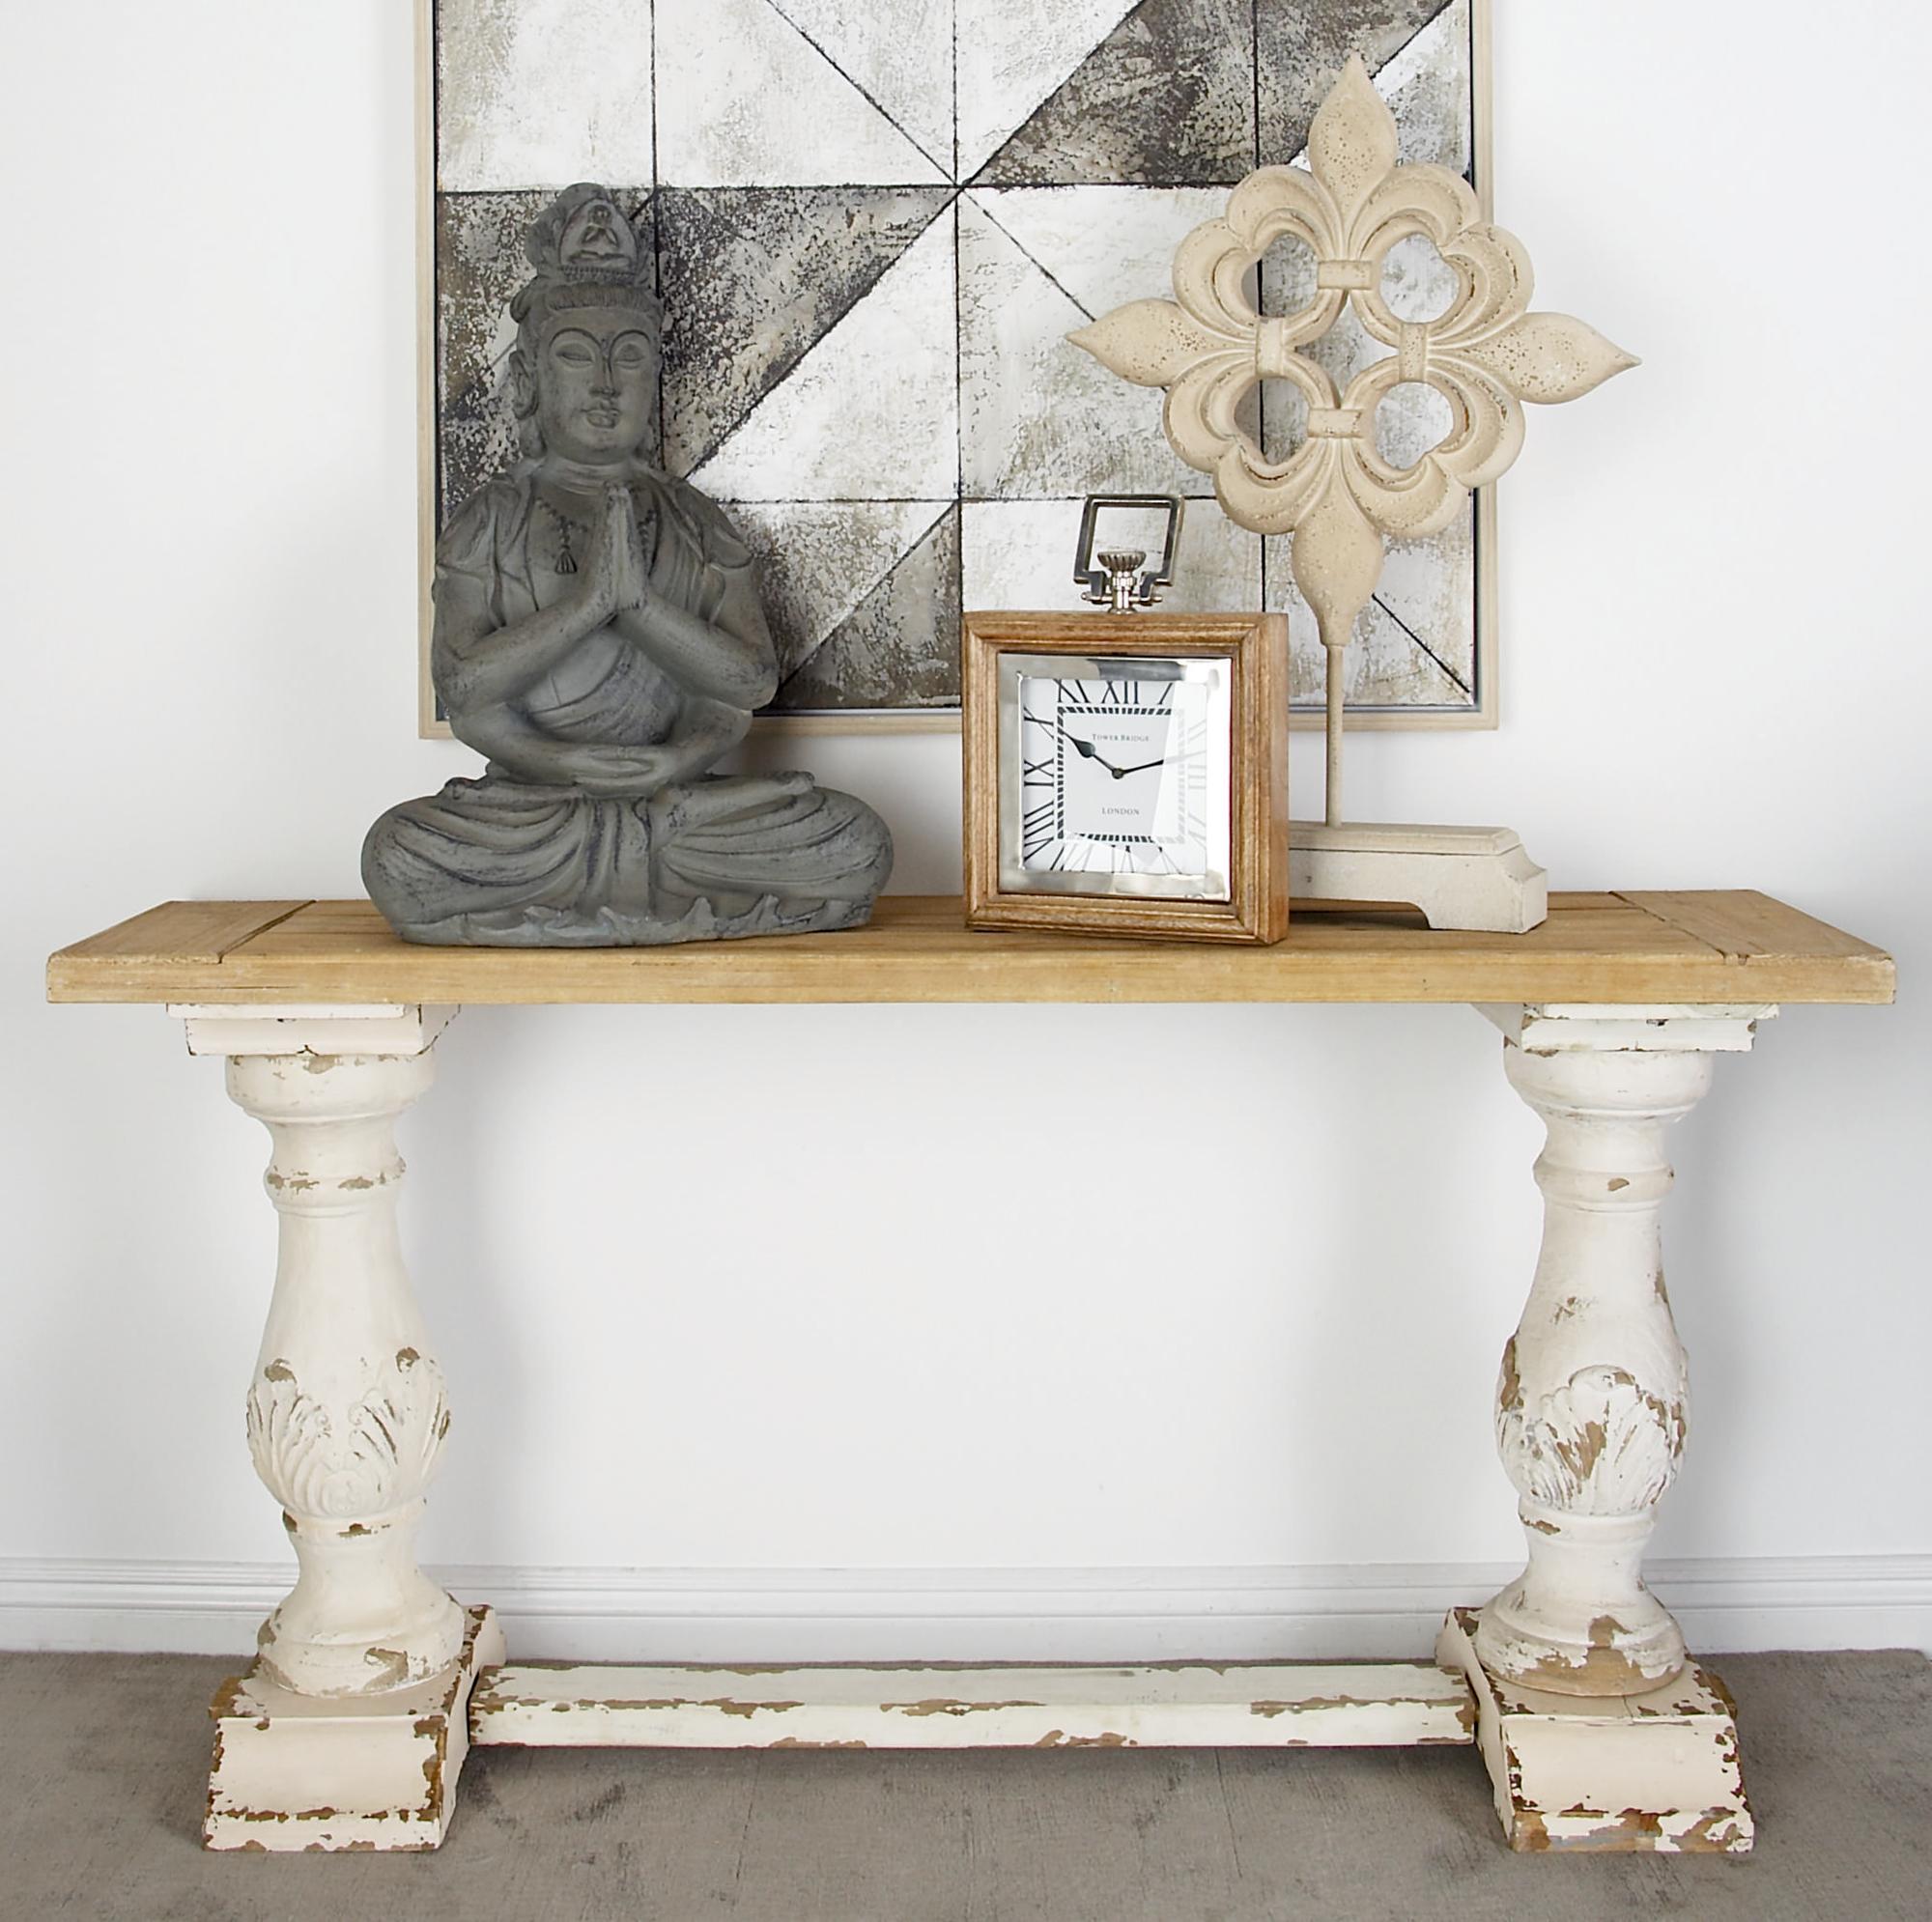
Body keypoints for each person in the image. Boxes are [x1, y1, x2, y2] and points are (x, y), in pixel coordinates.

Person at [363, 184, 893, 945]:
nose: (607, 384)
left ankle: (617, 883)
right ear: (530, 381)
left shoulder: (695, 520)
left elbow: (744, 685)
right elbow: (466, 690)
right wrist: (585, 616)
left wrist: (650, 644)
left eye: (631, 358)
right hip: (537, 810)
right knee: (400, 853)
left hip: (679, 806)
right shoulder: (491, 519)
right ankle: (643, 887)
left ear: (654, 380)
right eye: (577, 356)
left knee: (854, 838)